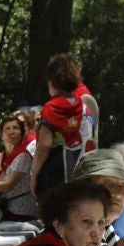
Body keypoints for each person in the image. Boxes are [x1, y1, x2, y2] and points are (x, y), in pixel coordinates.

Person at [32, 52, 88, 201]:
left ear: (52, 81)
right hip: (73, 171)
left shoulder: (51, 108)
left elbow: (45, 144)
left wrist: (34, 174)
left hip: (52, 175)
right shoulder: (78, 103)